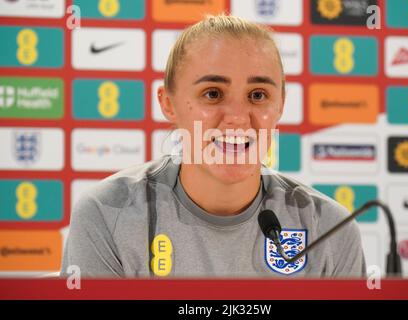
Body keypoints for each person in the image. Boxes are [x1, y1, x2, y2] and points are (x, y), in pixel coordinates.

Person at [61, 14, 366, 278]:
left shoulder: (330, 227)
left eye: (258, 95)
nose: (236, 118)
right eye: (212, 94)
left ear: (280, 106)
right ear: (169, 104)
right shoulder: (106, 214)